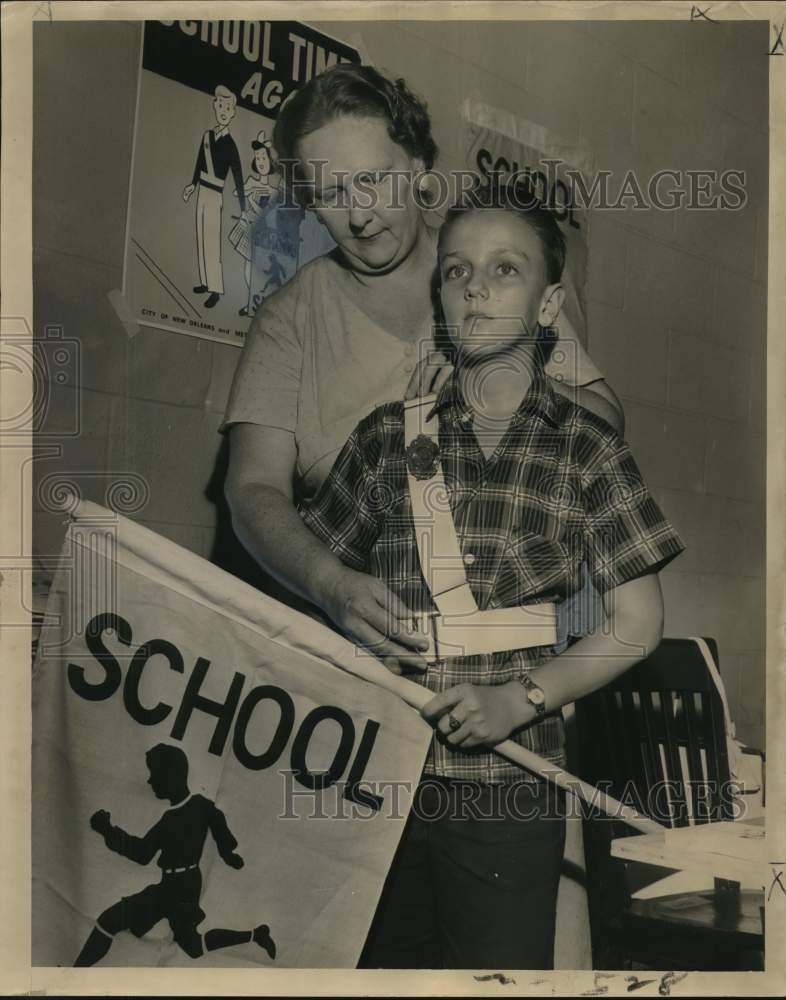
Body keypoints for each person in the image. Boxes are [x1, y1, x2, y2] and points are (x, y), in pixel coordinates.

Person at [297, 181, 685, 969]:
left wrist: (521, 698)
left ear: (549, 306)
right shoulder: (383, 439)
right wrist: (338, 606)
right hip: (375, 779)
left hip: (508, 788)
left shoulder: (586, 448)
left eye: (504, 271)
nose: (474, 287)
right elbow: (313, 582)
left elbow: (638, 625)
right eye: (455, 270)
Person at [222, 63, 624, 673]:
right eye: (331, 195)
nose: (359, 216)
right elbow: (252, 491)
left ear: (416, 168)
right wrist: (330, 585)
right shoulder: (290, 317)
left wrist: (499, 386)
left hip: (513, 665)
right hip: (363, 655)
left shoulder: (492, 271)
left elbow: (607, 422)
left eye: (376, 181)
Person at [73, 743, 276, 966]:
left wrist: (227, 851)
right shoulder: (171, 818)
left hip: (184, 888)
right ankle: (72, 975)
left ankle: (257, 935)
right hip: (170, 886)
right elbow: (143, 853)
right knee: (114, 921)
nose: (150, 781)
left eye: (154, 774)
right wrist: (107, 830)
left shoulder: (197, 806)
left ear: (170, 775)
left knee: (191, 945)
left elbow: (215, 819)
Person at [183, 85, 246, 309]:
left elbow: (238, 175)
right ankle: (205, 281)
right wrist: (192, 185)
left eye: (227, 107)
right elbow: (200, 162)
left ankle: (216, 289)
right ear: (214, 106)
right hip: (202, 191)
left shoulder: (230, 145)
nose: (222, 110)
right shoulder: (207, 136)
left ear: (232, 112)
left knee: (211, 240)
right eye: (220, 105)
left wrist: (243, 207)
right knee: (201, 236)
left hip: (215, 194)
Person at [232, 130, 278, 317]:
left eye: (263, 158)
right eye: (258, 159)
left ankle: (259, 305)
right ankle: (249, 304)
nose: (260, 162)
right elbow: (238, 194)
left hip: (265, 235)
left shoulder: (274, 190)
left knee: (264, 271)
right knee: (248, 267)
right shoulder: (251, 182)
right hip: (249, 228)